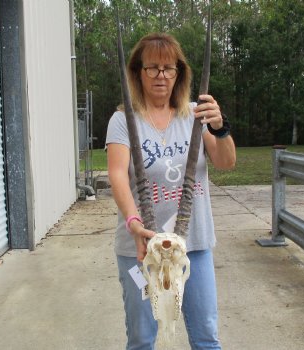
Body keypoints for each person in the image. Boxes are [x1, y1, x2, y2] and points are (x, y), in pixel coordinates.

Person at [105, 32, 236, 350]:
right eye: (152, 67)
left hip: (193, 247)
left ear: (180, 73)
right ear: (138, 72)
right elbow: (118, 174)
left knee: (206, 336)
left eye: (168, 68)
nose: (161, 75)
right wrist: (134, 222)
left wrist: (219, 128)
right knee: (141, 336)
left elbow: (226, 162)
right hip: (139, 250)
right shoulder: (123, 119)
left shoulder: (196, 114)